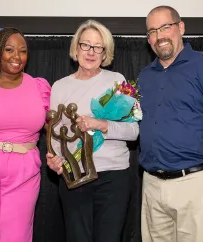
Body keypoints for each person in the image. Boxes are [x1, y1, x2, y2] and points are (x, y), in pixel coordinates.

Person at [46, 19, 139, 242]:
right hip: (74, 177)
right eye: (86, 45)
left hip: (113, 178)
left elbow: (133, 132)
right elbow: (56, 136)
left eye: (98, 47)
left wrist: (99, 124)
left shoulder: (118, 81)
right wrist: (54, 159)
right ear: (76, 47)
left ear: (105, 52)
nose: (91, 52)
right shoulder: (59, 86)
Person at [138, 5, 203, 242]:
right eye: (152, 31)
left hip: (197, 185)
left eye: (165, 27)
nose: (159, 36)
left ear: (181, 27)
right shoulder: (144, 76)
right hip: (151, 186)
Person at [0, 27, 51, 242]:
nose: (16, 56)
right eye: (9, 49)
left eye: (22, 51)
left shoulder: (39, 87)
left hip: (24, 176)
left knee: (17, 236)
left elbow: (53, 131)